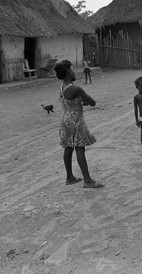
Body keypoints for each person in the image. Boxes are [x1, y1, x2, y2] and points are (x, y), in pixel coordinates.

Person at [54, 60, 104, 188]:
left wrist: (80, 101)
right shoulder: (76, 89)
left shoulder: (62, 86)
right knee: (80, 149)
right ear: (68, 72)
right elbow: (92, 102)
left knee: (68, 148)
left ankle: (69, 177)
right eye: (71, 69)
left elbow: (70, 102)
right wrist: (83, 100)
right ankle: (87, 180)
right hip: (76, 121)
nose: (74, 72)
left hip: (65, 120)